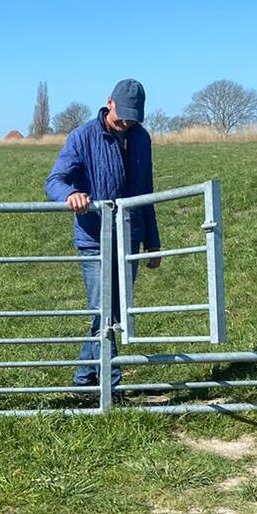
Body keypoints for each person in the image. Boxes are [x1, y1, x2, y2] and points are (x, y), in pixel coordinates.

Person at [44, 78, 161, 393]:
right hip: (94, 238)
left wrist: (152, 242)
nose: (125, 123)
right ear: (109, 103)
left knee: (114, 312)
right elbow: (54, 180)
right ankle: (111, 388)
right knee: (102, 310)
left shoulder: (141, 138)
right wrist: (71, 195)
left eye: (132, 118)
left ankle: (84, 378)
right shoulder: (82, 137)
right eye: (122, 116)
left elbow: (146, 191)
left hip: (129, 236)